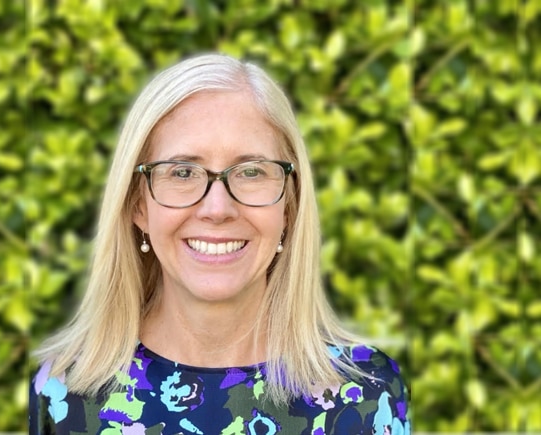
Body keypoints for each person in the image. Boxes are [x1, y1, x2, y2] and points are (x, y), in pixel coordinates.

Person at [29, 53, 410, 434]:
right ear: (137, 205)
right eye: (181, 172)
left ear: (289, 205)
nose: (217, 208)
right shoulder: (64, 395)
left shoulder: (368, 397)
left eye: (250, 172)